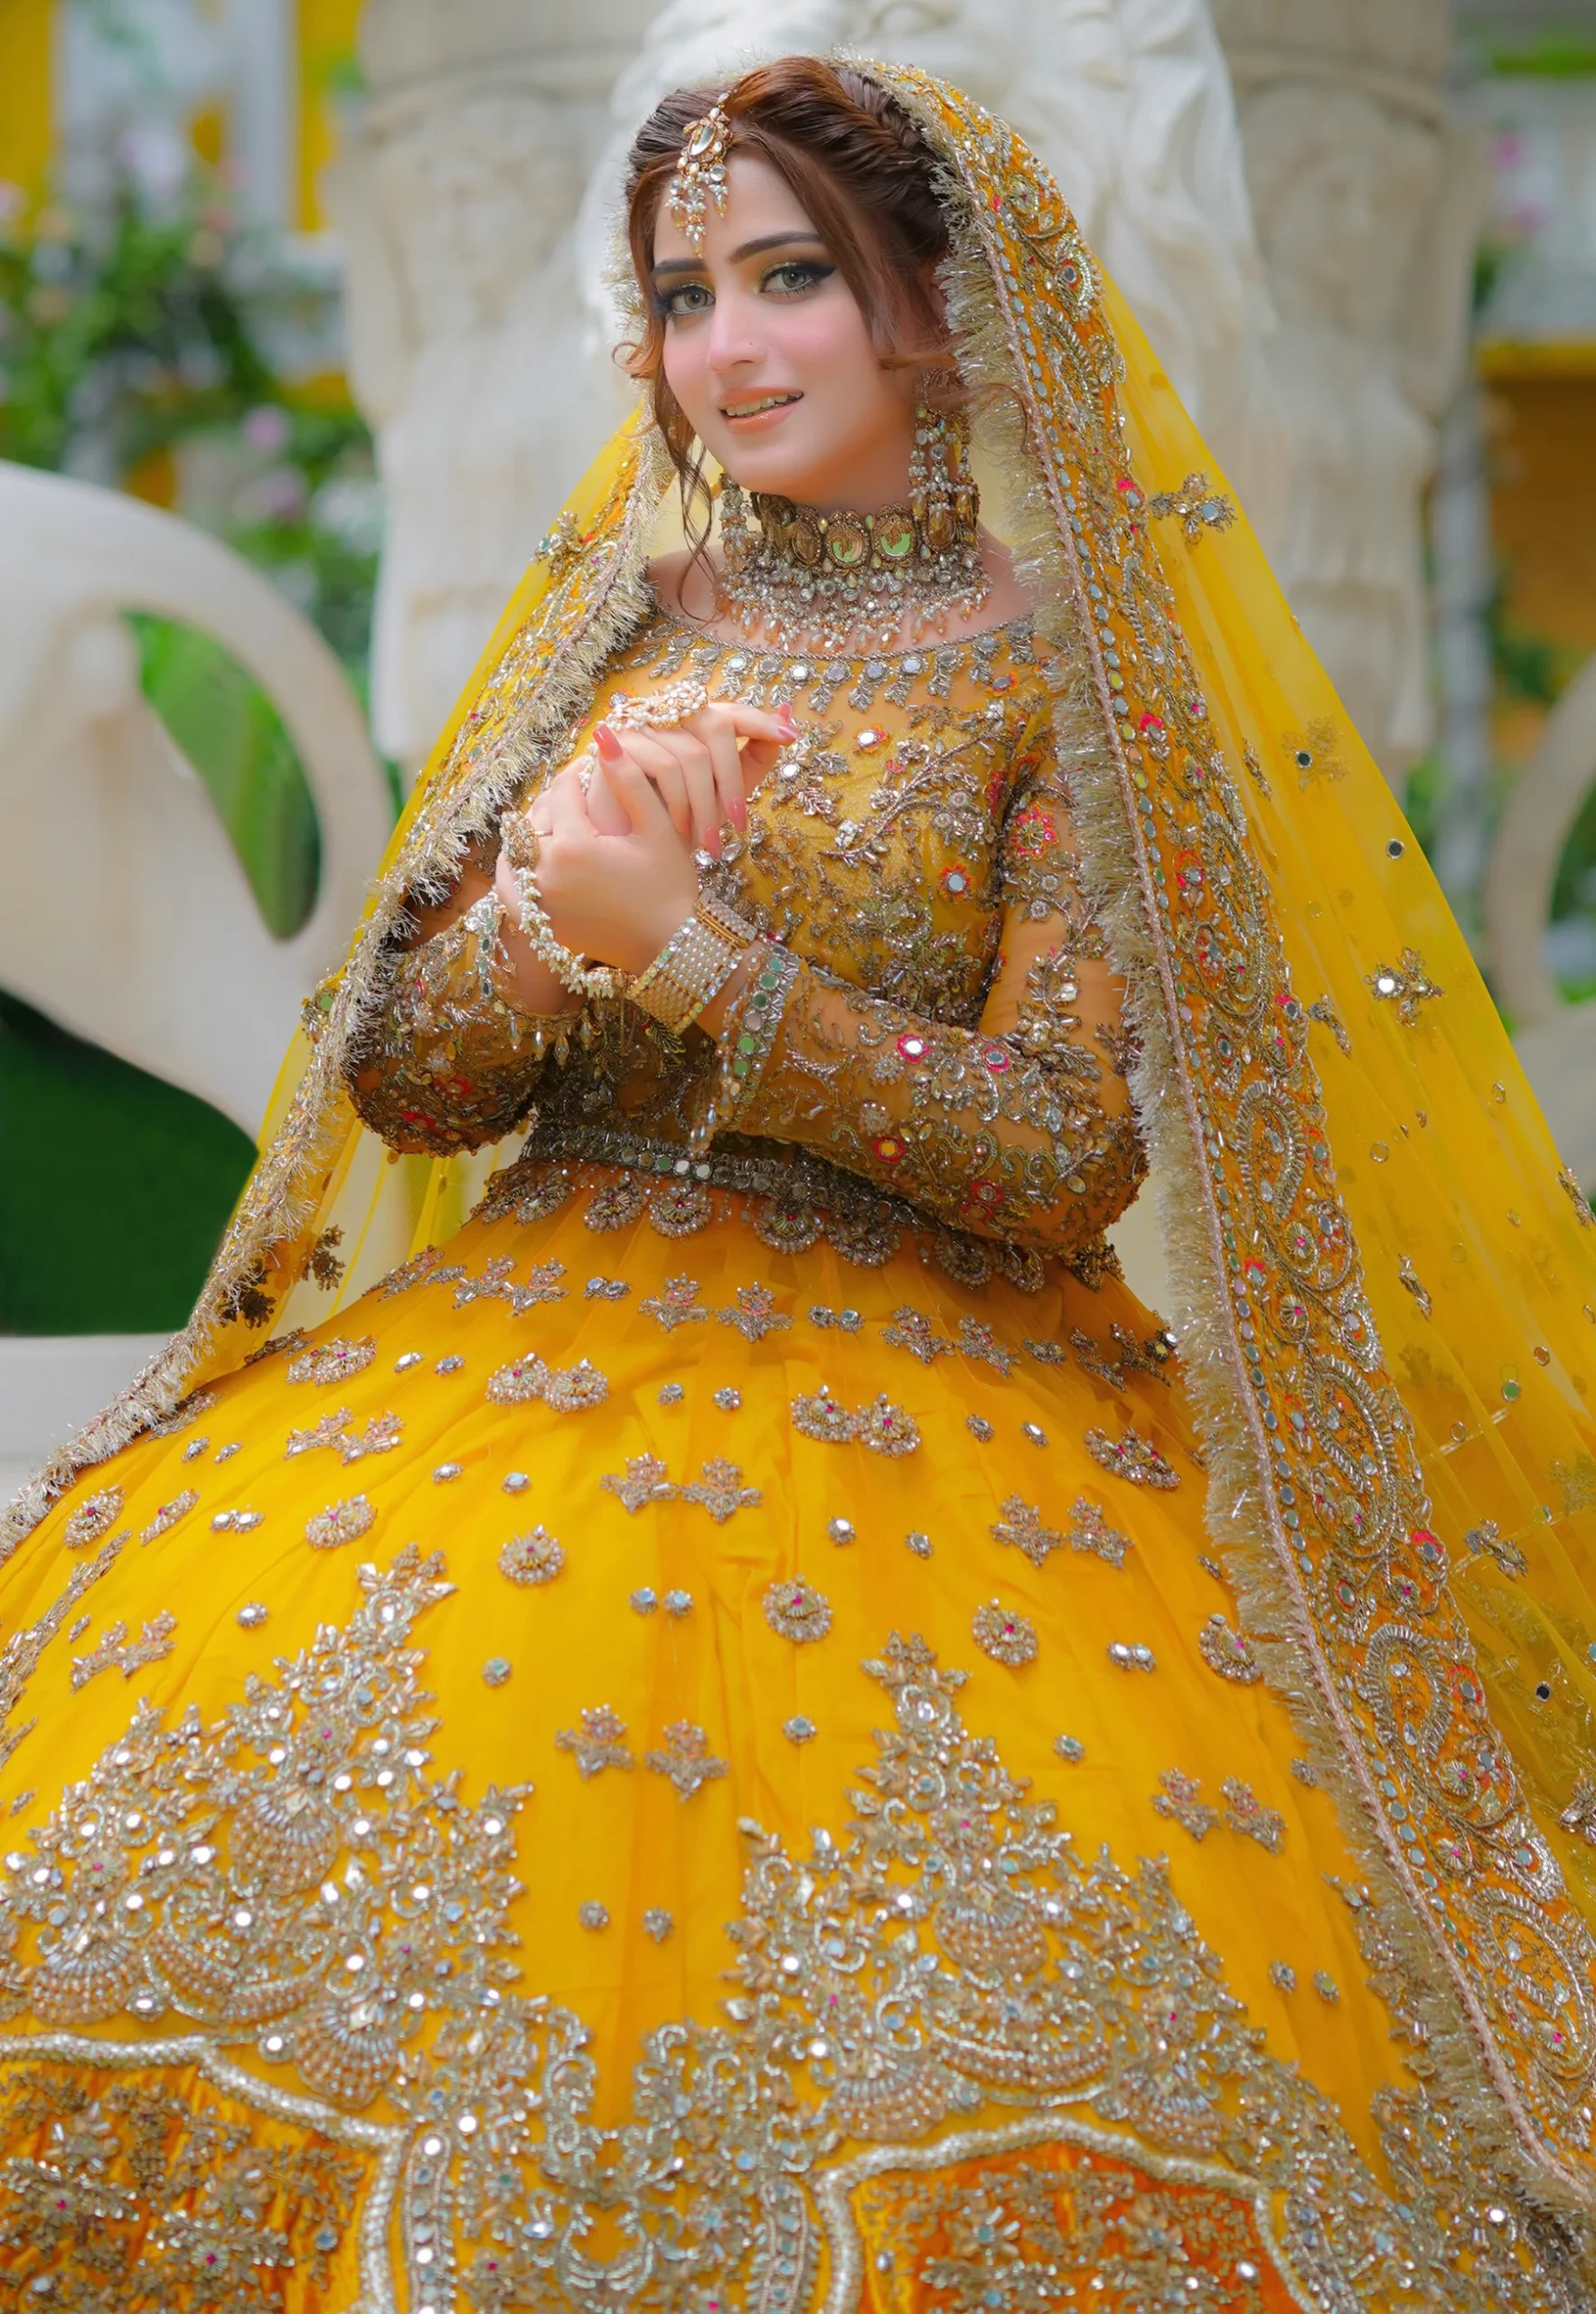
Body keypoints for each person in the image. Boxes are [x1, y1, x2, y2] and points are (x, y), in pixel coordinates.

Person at [3, 57, 1596, 2309]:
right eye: (682, 297)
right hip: (514, 1371)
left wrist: (704, 960)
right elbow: (411, 1083)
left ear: (936, 306)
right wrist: (550, 920)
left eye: (788, 282)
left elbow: (1061, 1150)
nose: (723, 349)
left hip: (946, 1401)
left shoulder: (1066, 675)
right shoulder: (615, 624)